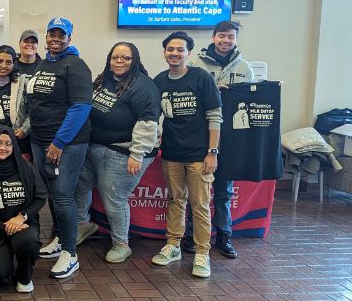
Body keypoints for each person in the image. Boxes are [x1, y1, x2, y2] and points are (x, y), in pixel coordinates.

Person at [74, 42, 160, 263]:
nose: (119, 61)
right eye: (115, 57)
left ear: (135, 60)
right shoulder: (105, 78)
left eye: (125, 58)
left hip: (124, 151)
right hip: (96, 146)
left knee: (113, 196)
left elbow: (148, 122)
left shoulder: (143, 86)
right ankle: (83, 224)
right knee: (81, 183)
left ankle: (121, 243)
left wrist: (137, 153)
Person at [151, 31, 222, 278]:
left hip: (198, 156)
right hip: (171, 153)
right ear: (165, 53)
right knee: (175, 201)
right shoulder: (159, 80)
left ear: (188, 54)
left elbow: (215, 117)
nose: (175, 53)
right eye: (170, 49)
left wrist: (212, 153)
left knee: (200, 205)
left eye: (180, 50)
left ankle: (202, 253)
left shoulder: (201, 78)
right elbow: (152, 116)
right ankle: (173, 246)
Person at [183, 20, 254, 258]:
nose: (226, 41)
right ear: (214, 37)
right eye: (222, 36)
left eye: (231, 37)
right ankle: (193, 235)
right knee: (198, 190)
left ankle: (224, 236)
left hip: (231, 140)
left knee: (224, 191)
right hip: (201, 135)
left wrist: (271, 89)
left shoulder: (245, 67)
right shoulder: (195, 63)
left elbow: (254, 101)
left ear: (236, 40)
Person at [29, 17, 92, 279]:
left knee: (63, 194)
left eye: (61, 35)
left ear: (69, 38)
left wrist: (59, 142)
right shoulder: (45, 63)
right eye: (51, 34)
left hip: (65, 143)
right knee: (52, 195)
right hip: (40, 139)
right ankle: (58, 239)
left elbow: (80, 107)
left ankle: (70, 253)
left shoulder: (75, 65)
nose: (55, 38)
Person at [0, 126, 48, 293]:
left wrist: (22, 217)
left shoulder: (26, 169)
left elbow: (41, 196)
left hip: (23, 224)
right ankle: (0, 258)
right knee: (0, 274)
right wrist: (4, 226)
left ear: (14, 147)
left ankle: (25, 273)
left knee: (28, 243)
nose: (2, 148)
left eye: (8, 143)